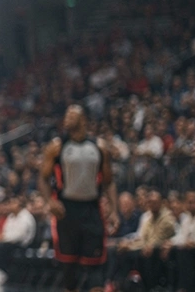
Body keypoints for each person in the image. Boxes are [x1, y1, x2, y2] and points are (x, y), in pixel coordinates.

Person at [41, 105, 117, 292]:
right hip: (66, 210)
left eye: (71, 115)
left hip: (92, 209)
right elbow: (43, 178)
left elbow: (108, 182)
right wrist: (50, 201)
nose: (66, 119)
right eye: (65, 115)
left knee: (95, 267)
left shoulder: (99, 147)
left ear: (83, 119)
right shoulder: (56, 146)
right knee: (69, 268)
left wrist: (114, 209)